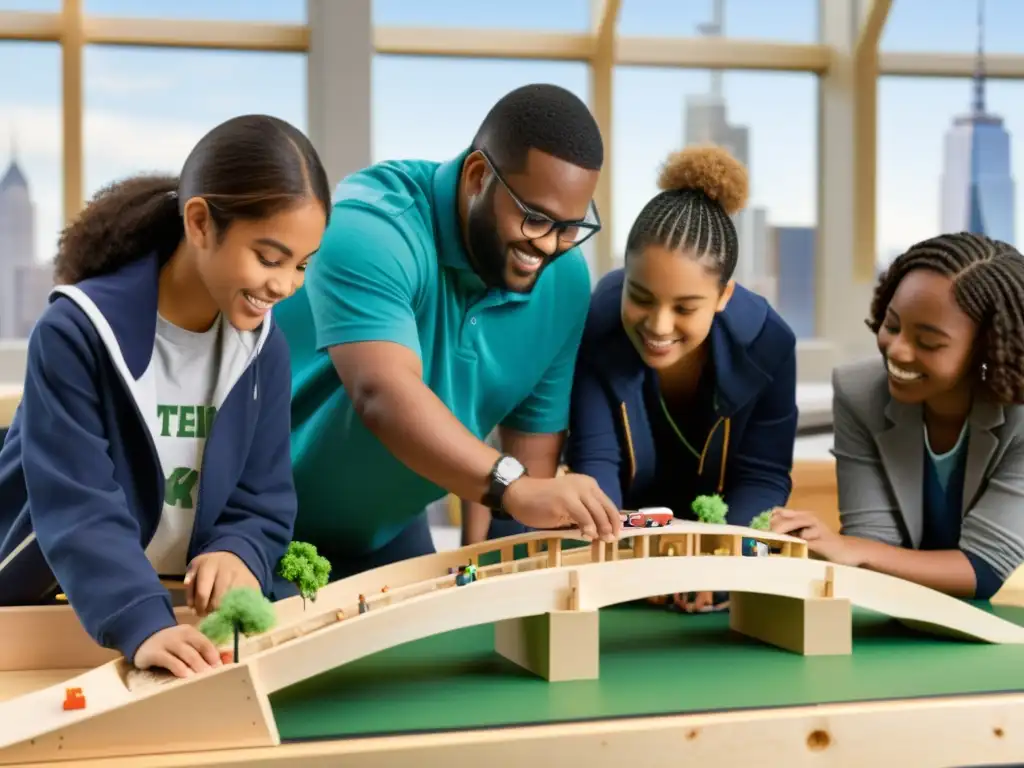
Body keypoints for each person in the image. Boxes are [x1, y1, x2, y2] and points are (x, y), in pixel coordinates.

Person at [0, 114, 332, 678]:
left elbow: (264, 497)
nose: (285, 285)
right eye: (270, 259)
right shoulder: (76, 333)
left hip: (176, 614)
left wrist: (240, 551)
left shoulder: (264, 348)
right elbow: (79, 504)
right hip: (48, 604)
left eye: (301, 265)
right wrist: (139, 618)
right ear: (200, 223)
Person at [274, 83, 621, 579]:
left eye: (570, 227)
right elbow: (382, 393)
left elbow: (529, 474)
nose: (548, 247)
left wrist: (493, 568)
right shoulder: (370, 224)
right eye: (534, 219)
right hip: (266, 529)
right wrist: (515, 487)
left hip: (390, 535)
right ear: (479, 176)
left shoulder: (564, 281)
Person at [564, 144, 798, 613]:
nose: (659, 325)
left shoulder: (771, 344)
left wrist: (722, 561)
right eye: (642, 297)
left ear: (723, 295)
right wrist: (632, 556)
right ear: (624, 274)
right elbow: (596, 462)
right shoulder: (596, 322)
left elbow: (763, 475)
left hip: (718, 560)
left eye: (686, 308)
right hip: (623, 554)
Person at [771, 232, 1024, 600]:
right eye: (892, 325)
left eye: (929, 342)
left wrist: (852, 550)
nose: (897, 351)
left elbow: (983, 569)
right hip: (905, 614)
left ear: (987, 349)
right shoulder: (859, 392)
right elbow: (873, 543)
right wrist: (841, 547)